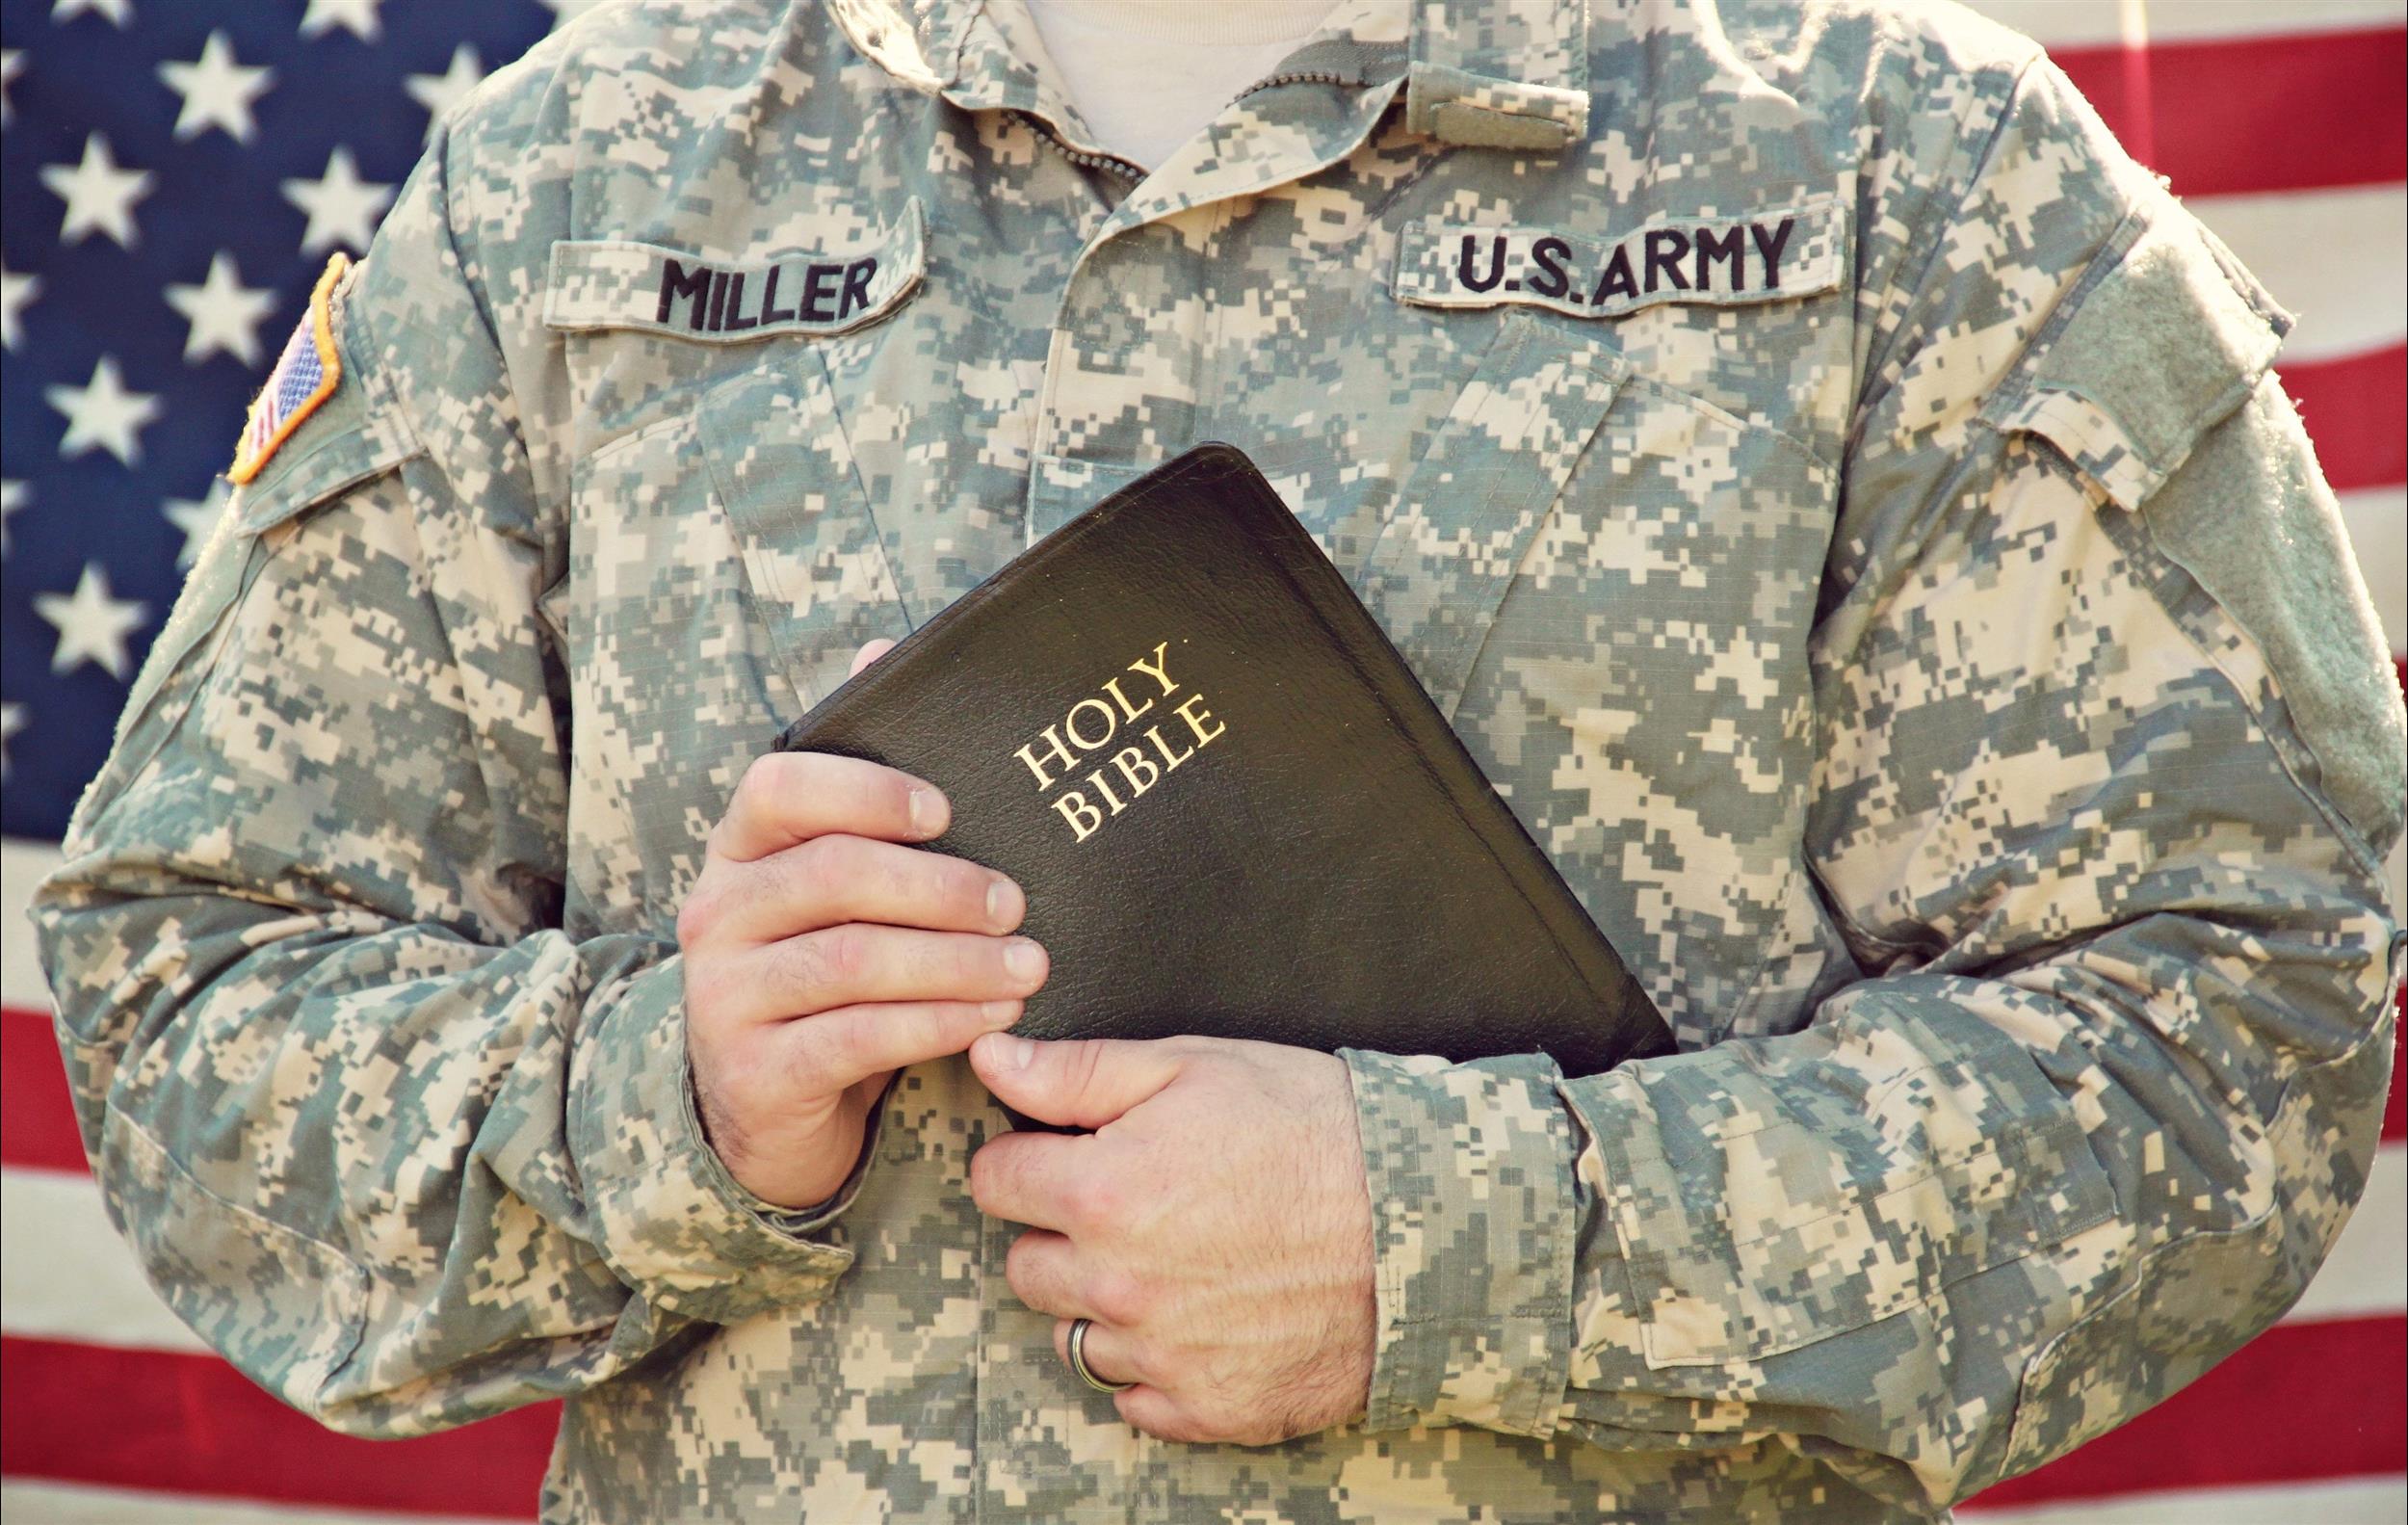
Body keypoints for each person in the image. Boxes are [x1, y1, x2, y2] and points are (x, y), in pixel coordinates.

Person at [30, 0, 2403, 1518]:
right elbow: (190, 1001)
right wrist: (670, 1095)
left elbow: (2241, 1020)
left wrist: (1458, 1242)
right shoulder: (588, 179)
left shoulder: (1913, 165)